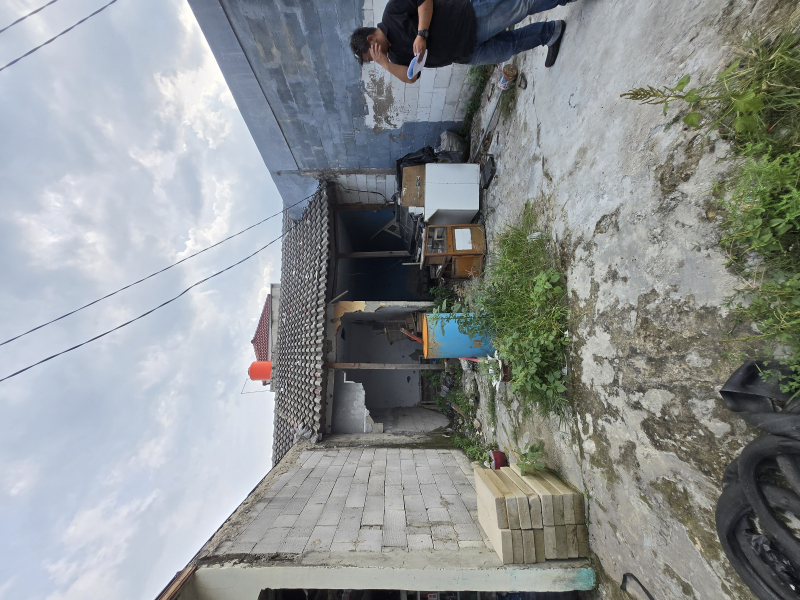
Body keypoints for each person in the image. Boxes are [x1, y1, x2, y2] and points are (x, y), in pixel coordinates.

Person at [349, 0, 576, 84]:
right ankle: (551, 33)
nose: (377, 58)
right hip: (465, 54)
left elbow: (424, 1)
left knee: (521, 5)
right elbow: (412, 77)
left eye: (372, 55)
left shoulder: (392, 13)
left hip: (469, 20)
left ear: (371, 39)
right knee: (510, 46)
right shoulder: (394, 56)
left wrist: (422, 34)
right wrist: (386, 64)